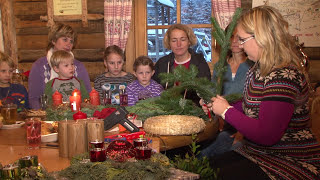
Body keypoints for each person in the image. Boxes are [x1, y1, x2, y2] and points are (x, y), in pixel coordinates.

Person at [202, 6, 320, 179]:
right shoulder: (258, 68)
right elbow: (251, 106)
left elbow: (267, 135)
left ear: (261, 38)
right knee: (207, 168)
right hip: (257, 152)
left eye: (242, 39)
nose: (240, 46)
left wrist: (226, 111)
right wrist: (217, 104)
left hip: (288, 159)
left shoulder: (283, 76)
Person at [199, 26, 253, 159]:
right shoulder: (220, 66)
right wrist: (206, 101)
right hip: (221, 124)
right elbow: (213, 93)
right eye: (231, 37)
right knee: (202, 152)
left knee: (225, 154)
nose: (234, 41)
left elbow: (256, 104)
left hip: (245, 126)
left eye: (238, 37)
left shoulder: (253, 65)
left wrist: (243, 131)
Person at [28, 23, 91, 109]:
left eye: (71, 41)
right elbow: (34, 99)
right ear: (53, 40)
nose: (69, 44)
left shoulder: (78, 67)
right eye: (65, 39)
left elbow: (87, 96)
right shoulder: (39, 66)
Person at [152, 24, 211, 104]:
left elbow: (206, 92)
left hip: (194, 111)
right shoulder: (162, 63)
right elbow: (152, 89)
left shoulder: (199, 63)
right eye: (174, 40)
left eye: (182, 40)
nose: (178, 44)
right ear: (169, 43)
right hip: (166, 111)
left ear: (189, 41)